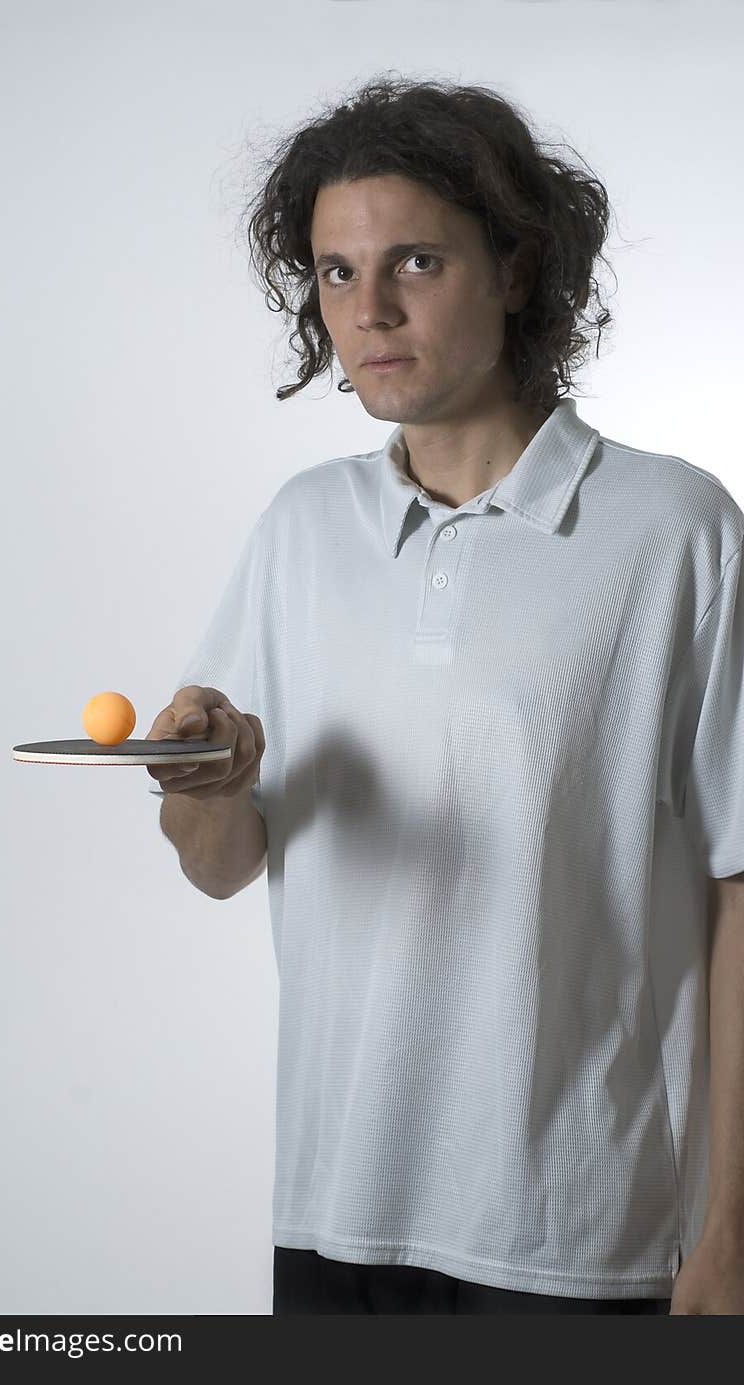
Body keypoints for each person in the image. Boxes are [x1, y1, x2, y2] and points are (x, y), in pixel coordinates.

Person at [148, 76, 744, 1314]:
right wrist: (204, 785)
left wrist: (728, 1240)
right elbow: (218, 862)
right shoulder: (303, 529)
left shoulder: (674, 529)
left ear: (517, 271)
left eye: (413, 260)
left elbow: (738, 889)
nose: (367, 309)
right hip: (332, 1209)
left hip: (572, 1230)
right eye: (332, 272)